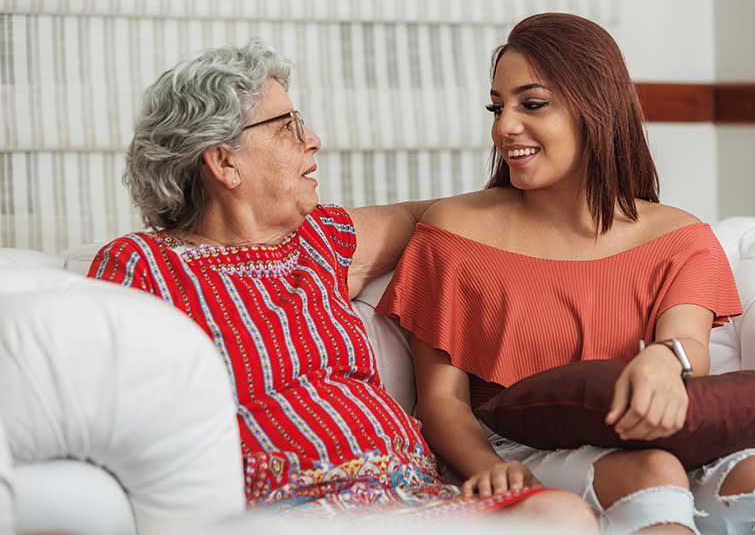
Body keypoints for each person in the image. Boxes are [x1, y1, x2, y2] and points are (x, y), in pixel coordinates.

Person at [87, 38, 596, 528]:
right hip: (290, 507)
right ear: (224, 162)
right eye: (288, 125)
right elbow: (109, 410)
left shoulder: (319, 238)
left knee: (559, 513)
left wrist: (578, 201)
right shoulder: (143, 264)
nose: (313, 139)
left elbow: (442, 217)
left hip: (415, 496)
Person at [377, 13, 755, 534]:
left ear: (596, 108)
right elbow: (442, 398)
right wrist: (489, 469)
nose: (505, 127)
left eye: (532, 104)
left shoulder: (679, 237)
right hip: (516, 451)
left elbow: (687, 347)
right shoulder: (454, 232)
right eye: (498, 107)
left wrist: (664, 359)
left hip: (659, 436)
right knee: (653, 473)